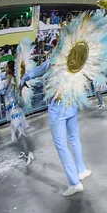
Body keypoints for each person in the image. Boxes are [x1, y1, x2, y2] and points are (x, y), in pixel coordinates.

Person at [21, 60, 92, 196]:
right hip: (71, 105)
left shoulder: (51, 62)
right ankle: (81, 170)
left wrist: (23, 78)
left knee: (61, 146)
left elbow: (34, 72)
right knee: (74, 137)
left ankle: (74, 183)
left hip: (57, 109)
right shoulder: (71, 60)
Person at [0, 61, 35, 165]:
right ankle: (24, 151)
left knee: (19, 132)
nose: (5, 69)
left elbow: (0, 87)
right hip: (13, 108)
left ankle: (28, 154)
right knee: (16, 130)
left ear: (9, 69)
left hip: (14, 110)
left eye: (6, 67)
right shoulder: (12, 78)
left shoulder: (11, 79)